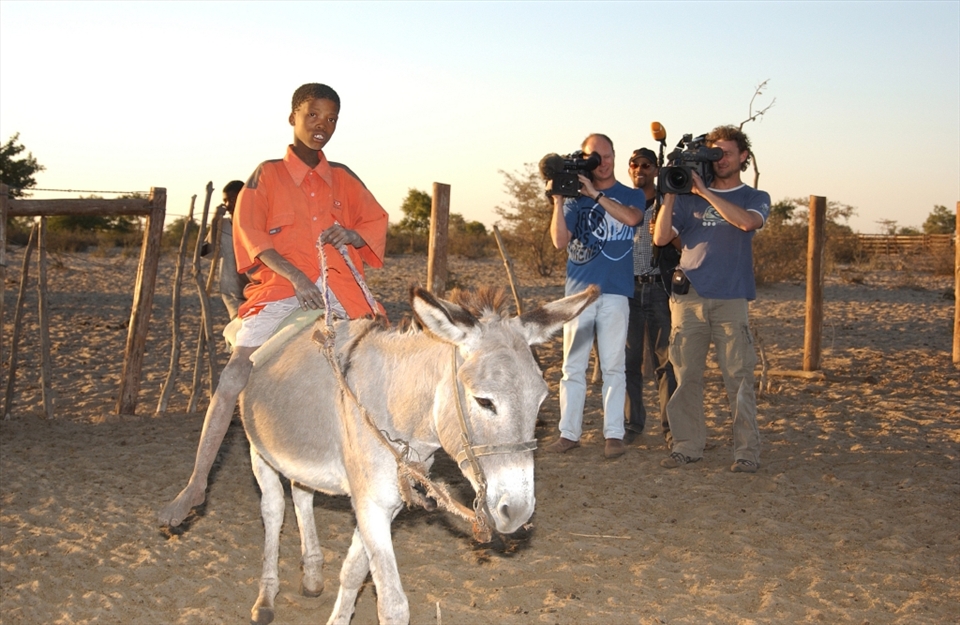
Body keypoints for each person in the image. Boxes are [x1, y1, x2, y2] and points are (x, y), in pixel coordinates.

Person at [158, 83, 389, 526]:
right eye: (313, 117)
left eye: (331, 119)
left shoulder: (343, 176)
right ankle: (197, 482)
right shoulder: (265, 175)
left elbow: (374, 221)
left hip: (342, 289)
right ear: (293, 119)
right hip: (283, 289)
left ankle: (388, 463)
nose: (322, 127)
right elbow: (254, 237)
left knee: (382, 363)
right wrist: (297, 277)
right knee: (234, 374)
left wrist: (354, 235)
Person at [652, 125, 770, 473]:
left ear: (743, 157)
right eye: (713, 153)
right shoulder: (687, 199)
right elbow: (660, 238)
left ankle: (746, 452)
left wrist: (703, 191)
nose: (719, 160)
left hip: (732, 299)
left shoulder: (753, 196)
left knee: (738, 377)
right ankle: (688, 446)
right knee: (686, 376)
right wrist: (672, 192)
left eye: (726, 153)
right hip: (689, 299)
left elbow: (747, 224)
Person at [544, 134, 644, 460]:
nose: (601, 163)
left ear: (615, 156)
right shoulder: (574, 198)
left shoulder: (631, 194)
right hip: (579, 294)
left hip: (615, 292)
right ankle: (568, 433)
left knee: (614, 367)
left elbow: (632, 219)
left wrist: (595, 194)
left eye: (606, 156)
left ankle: (613, 434)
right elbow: (560, 241)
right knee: (573, 367)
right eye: (594, 158)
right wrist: (559, 199)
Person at [623, 148, 679, 446]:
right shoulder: (621, 201)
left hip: (660, 287)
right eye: (634, 164)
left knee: (666, 363)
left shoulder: (668, 201)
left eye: (646, 164)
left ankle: (671, 429)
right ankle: (632, 424)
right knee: (628, 360)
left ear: (656, 170)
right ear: (629, 168)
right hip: (627, 289)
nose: (639, 169)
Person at [202, 180, 249, 320]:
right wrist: (215, 221)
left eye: (233, 199)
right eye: (225, 201)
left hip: (257, 288)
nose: (228, 205)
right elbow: (208, 253)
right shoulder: (222, 227)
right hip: (233, 292)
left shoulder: (259, 221)